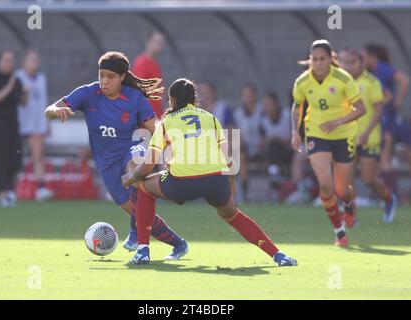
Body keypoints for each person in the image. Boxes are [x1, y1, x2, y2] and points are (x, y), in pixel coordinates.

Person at [122, 78, 297, 267]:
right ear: (194, 99)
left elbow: (148, 165)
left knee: (145, 187)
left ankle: (142, 251)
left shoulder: (166, 122)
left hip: (181, 183)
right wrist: (232, 190)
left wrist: (131, 176)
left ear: (172, 100)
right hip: (216, 182)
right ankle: (278, 255)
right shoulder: (210, 117)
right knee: (234, 216)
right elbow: (228, 157)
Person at [45, 51, 187, 259]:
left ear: (122, 77)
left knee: (136, 174)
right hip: (106, 163)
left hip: (132, 146)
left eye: (110, 77)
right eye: (101, 75)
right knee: (138, 213)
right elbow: (49, 109)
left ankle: (138, 238)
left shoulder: (134, 98)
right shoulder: (88, 93)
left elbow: (154, 127)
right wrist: (56, 111)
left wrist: (172, 147)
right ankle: (178, 244)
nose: (104, 81)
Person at [291, 40, 366, 246]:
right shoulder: (303, 81)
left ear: (330, 59)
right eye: (314, 59)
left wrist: (338, 122)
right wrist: (295, 133)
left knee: (342, 190)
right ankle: (339, 231)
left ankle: (348, 205)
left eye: (322, 59)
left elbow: (361, 109)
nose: (318, 63)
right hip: (316, 134)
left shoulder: (343, 78)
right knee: (325, 185)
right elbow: (297, 107)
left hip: (343, 135)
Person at [339, 48, 397, 223]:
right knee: (346, 180)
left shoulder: (371, 82)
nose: (349, 66)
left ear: (361, 63)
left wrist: (366, 133)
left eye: (352, 62)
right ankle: (352, 214)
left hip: (368, 138)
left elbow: (378, 111)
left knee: (368, 179)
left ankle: (388, 198)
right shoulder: (339, 82)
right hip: (347, 137)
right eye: (345, 62)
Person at [362, 43, 411, 196]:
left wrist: (397, 101)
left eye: (363, 57)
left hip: (388, 119)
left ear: (371, 57)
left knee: (384, 157)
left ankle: (391, 195)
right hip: (387, 120)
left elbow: (404, 79)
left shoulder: (381, 68)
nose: (361, 60)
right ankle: (388, 194)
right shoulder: (372, 72)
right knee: (384, 158)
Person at [0, 50, 23, 207]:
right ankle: (1, 193)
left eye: (11, 60)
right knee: (2, 159)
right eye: (6, 60)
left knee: (15, 160)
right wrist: (9, 86)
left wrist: (26, 92)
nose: (9, 63)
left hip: (13, 124)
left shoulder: (17, 81)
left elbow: (22, 102)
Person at [16, 49, 53, 202]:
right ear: (24, 61)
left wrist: (47, 122)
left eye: (36, 60)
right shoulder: (18, 77)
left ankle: (41, 188)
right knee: (14, 157)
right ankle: (10, 187)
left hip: (37, 124)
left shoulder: (41, 78)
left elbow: (43, 101)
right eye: (31, 59)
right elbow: (17, 101)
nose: (34, 63)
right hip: (20, 122)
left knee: (38, 156)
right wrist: (23, 93)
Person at [233, 84, 264, 199]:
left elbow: (266, 131)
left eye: (250, 95)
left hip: (262, 148)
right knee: (238, 156)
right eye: (245, 95)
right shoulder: (238, 113)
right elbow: (236, 133)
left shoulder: (262, 111)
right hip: (245, 148)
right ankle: (242, 193)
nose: (248, 98)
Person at [132, 31, 166, 118]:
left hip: (157, 114)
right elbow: (138, 89)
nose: (160, 45)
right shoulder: (141, 62)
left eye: (161, 42)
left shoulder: (155, 63)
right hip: (146, 117)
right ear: (148, 42)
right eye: (157, 42)